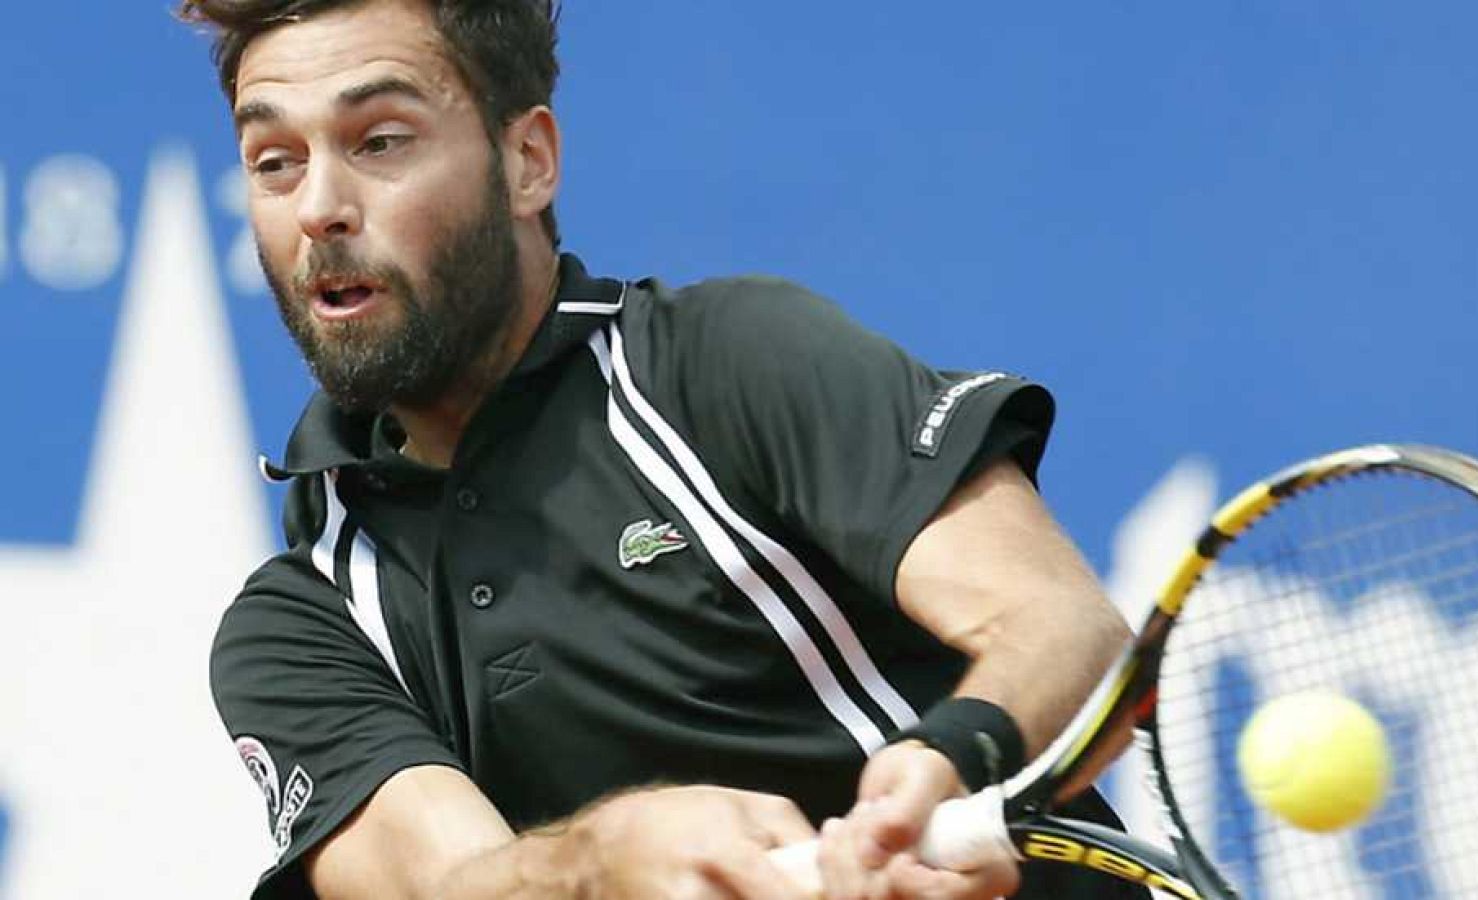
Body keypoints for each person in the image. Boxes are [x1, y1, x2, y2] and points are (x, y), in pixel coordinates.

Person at [180, 1, 1139, 897]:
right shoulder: (299, 630)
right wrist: (601, 860)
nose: (319, 208)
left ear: (527, 161)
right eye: (274, 161)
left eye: (379, 142)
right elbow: (448, 882)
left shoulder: (731, 364)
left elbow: (1069, 631)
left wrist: (946, 764)